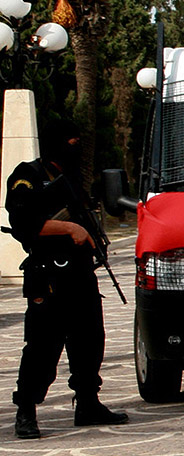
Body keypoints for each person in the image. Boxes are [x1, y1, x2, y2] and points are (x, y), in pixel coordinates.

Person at [5, 118, 128, 439]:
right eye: (70, 141)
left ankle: (88, 403)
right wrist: (71, 229)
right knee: (42, 348)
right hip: (48, 276)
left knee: (89, 342)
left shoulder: (69, 178)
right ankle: (26, 411)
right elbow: (24, 224)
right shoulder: (27, 176)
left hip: (79, 275)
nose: (76, 147)